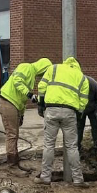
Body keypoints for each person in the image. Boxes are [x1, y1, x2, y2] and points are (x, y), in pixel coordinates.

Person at [37, 56, 90, 186]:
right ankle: (78, 179)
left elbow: (41, 86)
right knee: (72, 146)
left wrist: (41, 104)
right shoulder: (82, 77)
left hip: (51, 109)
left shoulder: (53, 69)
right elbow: (83, 100)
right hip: (70, 112)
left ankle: (45, 177)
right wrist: (79, 113)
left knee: (49, 144)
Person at [0, 58, 52, 169]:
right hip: (8, 102)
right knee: (11, 134)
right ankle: (12, 165)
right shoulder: (26, 67)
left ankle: (15, 162)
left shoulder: (32, 76)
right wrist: (30, 94)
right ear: (43, 68)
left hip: (14, 104)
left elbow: (22, 100)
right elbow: (17, 81)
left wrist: (22, 114)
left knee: (15, 134)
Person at [77, 73, 97, 169]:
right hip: (80, 109)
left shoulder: (92, 83)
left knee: (96, 128)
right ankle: (77, 148)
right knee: (78, 129)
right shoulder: (74, 84)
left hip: (93, 108)